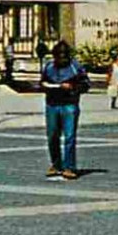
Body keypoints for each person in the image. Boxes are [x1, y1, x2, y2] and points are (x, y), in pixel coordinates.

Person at [41, 40, 90, 179]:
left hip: (69, 103)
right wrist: (46, 86)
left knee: (69, 136)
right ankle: (56, 164)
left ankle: (69, 166)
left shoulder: (75, 67)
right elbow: (42, 82)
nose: (61, 59)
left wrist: (73, 88)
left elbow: (86, 84)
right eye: (58, 56)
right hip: (52, 103)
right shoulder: (49, 67)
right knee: (52, 136)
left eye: (64, 56)